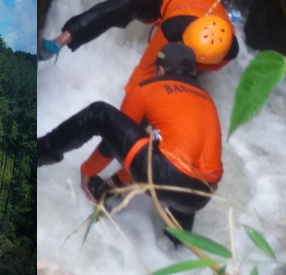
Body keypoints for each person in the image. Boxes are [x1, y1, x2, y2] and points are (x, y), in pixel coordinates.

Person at [37, 43, 221, 246]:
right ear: (193, 72)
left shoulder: (147, 88)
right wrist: (119, 181)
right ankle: (177, 248)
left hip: (166, 174)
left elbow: (115, 141)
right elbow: (143, 149)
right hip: (202, 195)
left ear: (159, 70)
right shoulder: (207, 100)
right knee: (174, 160)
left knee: (99, 112)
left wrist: (87, 172)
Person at [39, 0, 238, 92]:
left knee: (181, 72)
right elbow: (144, 69)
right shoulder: (172, 29)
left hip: (195, 8)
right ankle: (60, 41)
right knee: (125, 5)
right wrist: (129, 108)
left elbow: (199, 68)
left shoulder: (229, 49)